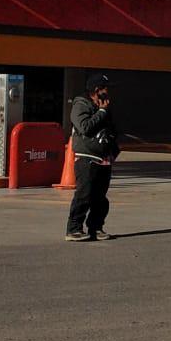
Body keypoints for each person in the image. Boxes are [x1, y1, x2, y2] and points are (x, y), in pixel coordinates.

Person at [65, 74, 120, 242]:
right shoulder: (81, 105)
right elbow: (85, 127)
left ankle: (96, 227)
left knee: (100, 198)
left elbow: (111, 129)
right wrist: (101, 112)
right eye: (106, 88)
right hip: (87, 156)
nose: (109, 92)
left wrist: (113, 150)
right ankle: (74, 229)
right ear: (97, 90)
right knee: (84, 194)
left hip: (104, 157)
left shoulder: (105, 107)